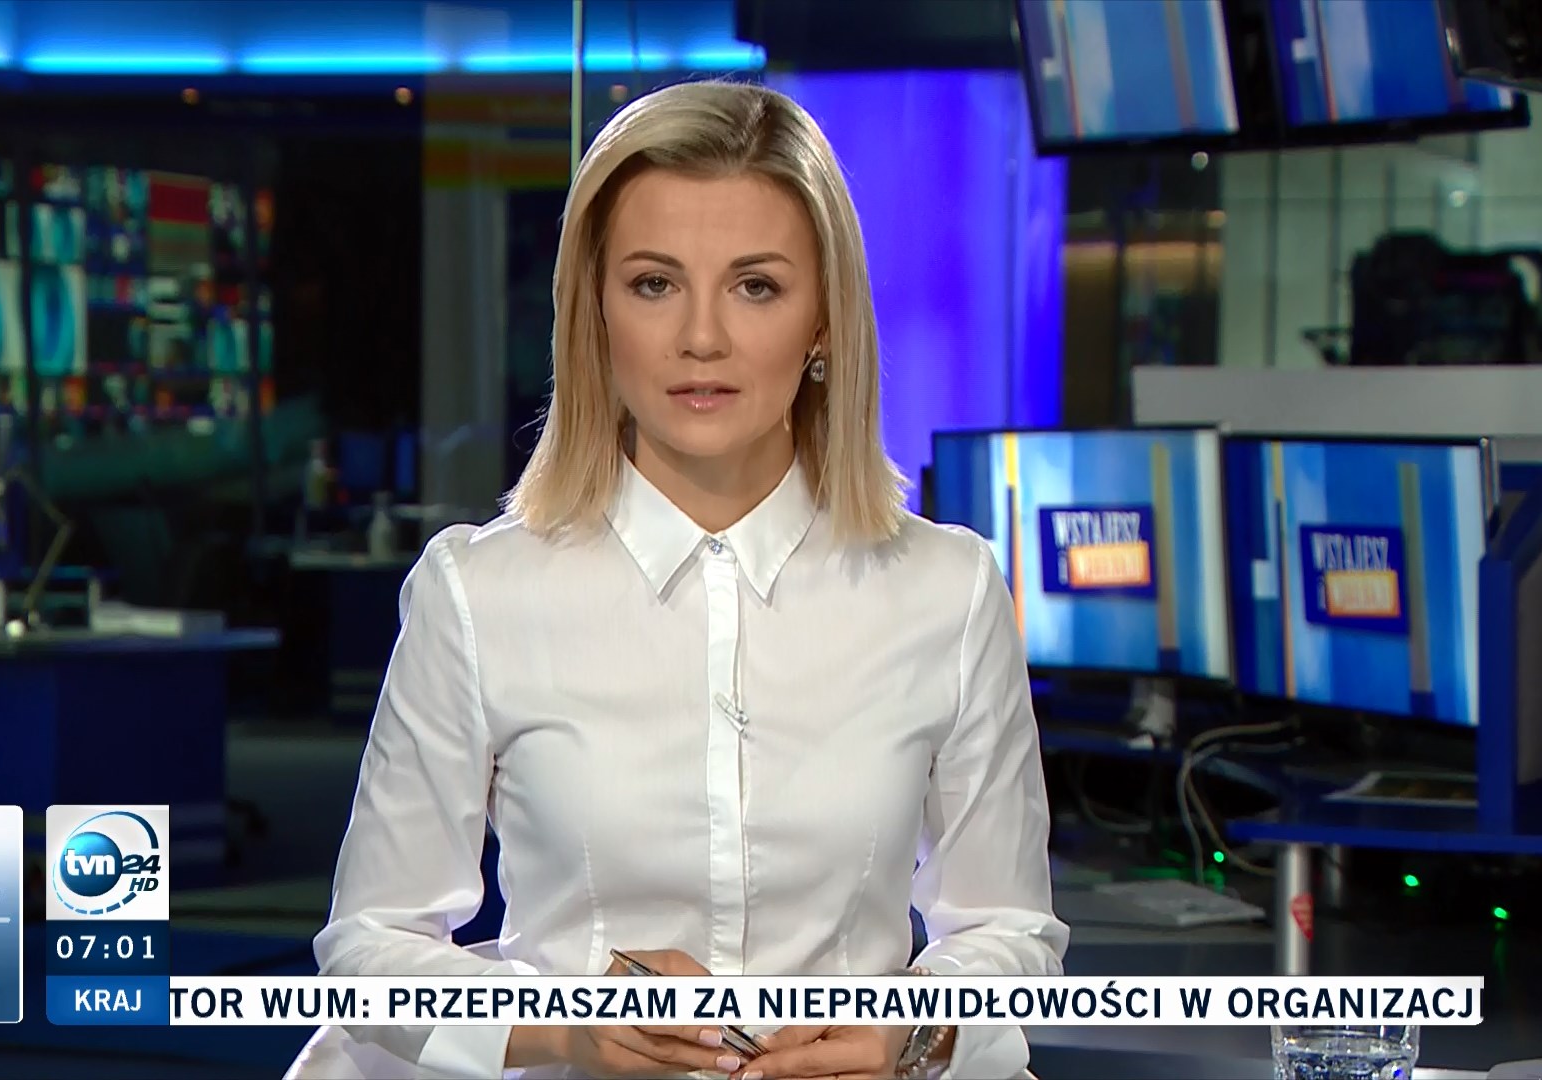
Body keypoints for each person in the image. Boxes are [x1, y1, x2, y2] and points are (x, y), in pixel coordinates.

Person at [291, 78, 1067, 1080]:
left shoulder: (947, 592)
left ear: (824, 321)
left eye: (756, 287)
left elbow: (1009, 930)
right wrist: (568, 1027)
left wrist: (915, 1030)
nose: (702, 337)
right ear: (596, 312)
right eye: (655, 284)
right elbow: (370, 948)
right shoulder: (478, 595)